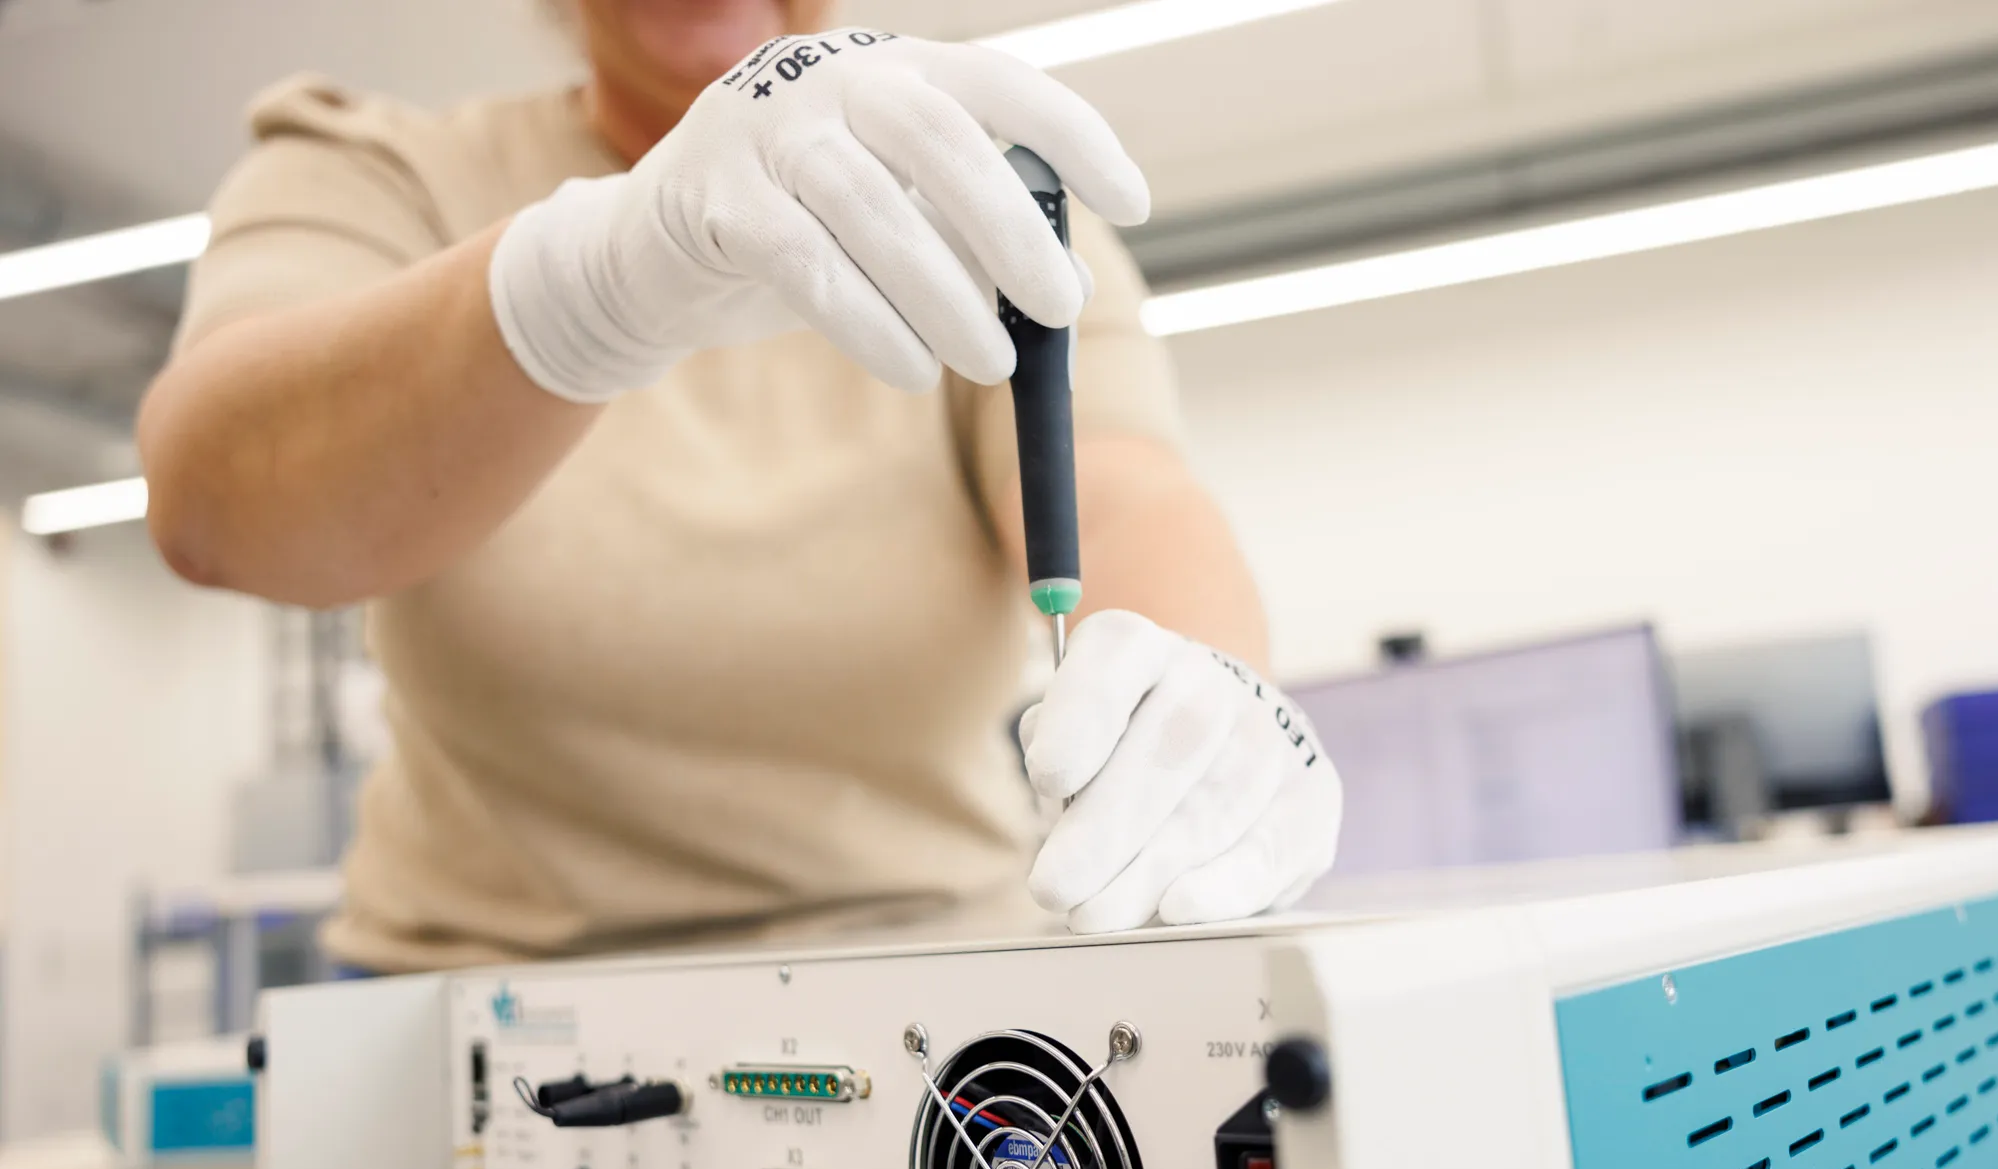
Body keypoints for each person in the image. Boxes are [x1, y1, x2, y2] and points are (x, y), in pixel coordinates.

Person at [138, 0, 1341, 972]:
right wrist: (592, 286)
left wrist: (1199, 701)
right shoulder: (379, 170)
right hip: (476, 1003)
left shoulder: (972, 188)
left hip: (929, 974)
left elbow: (1124, 487)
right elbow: (216, 509)